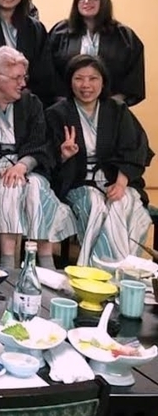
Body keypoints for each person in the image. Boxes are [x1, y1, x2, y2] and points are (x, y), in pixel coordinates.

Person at [0, 47, 75, 270]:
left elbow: (40, 143)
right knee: (10, 187)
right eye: (17, 78)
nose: (23, 83)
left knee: (35, 185)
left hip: (27, 170)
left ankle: (39, 260)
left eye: (23, 77)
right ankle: (13, 262)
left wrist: (22, 166)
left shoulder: (31, 103)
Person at [46, 54, 153, 266]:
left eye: (93, 78)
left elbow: (135, 148)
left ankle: (108, 270)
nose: (86, 85)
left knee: (124, 204)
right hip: (77, 183)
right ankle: (113, 272)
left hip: (117, 180)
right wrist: (63, 155)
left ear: (103, 82)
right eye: (79, 78)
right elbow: (47, 159)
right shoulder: (56, 113)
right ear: (70, 81)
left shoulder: (118, 110)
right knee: (95, 206)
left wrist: (121, 183)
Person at [49, 0, 145, 106]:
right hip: (66, 106)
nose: (87, 1)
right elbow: (48, 69)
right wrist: (63, 102)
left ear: (104, 1)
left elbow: (134, 76)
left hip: (110, 108)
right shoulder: (59, 33)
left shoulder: (124, 36)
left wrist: (112, 105)